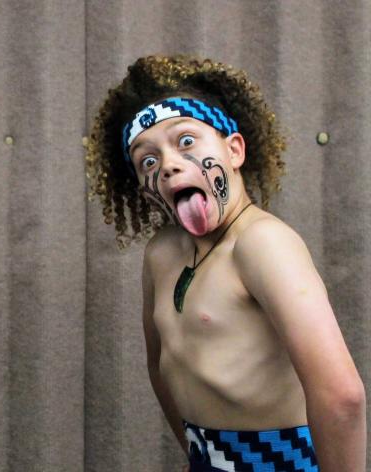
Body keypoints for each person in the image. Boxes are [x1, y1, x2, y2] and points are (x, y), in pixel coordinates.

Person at [86, 55, 365, 471]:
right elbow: (162, 364)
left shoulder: (262, 243)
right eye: (148, 160)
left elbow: (342, 396)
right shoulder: (162, 254)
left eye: (185, 142)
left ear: (234, 150)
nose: (168, 165)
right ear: (145, 190)